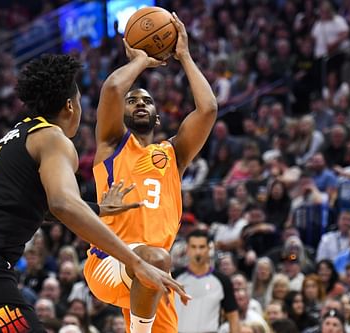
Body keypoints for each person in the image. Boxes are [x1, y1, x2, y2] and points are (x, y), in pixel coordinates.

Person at [0, 54, 190, 333]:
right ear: (71, 106)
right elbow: (63, 204)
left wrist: (98, 208)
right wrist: (135, 261)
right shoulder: (53, 138)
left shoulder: (17, 136)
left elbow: (40, 206)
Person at [83, 13, 217, 333]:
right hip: (109, 260)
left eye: (146, 100)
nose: (139, 103)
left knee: (157, 262)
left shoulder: (173, 154)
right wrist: (141, 60)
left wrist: (183, 55)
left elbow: (208, 108)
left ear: (157, 118)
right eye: (132, 102)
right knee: (155, 259)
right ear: (123, 114)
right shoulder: (111, 145)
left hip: (155, 274)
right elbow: (114, 87)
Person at [175, 229, 240, 333]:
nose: (198, 251)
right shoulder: (174, 277)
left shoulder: (222, 281)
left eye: (201, 247)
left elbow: (233, 315)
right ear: (187, 249)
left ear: (209, 248)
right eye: (193, 247)